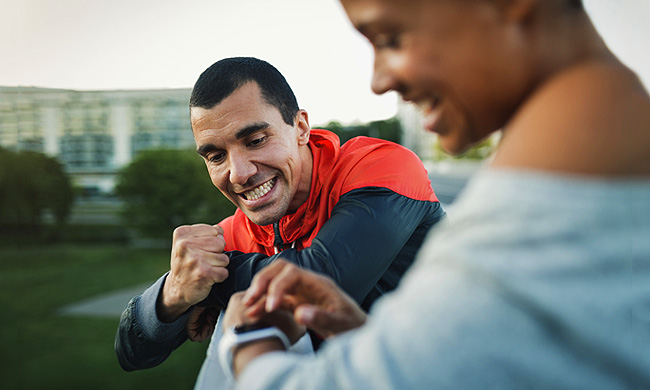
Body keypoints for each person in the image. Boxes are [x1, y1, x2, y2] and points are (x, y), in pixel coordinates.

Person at [219, 0, 650, 388]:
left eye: (391, 38)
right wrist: (370, 336)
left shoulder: (542, 213)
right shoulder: (602, 159)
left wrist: (250, 341)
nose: (379, 80)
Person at [114, 57, 446, 386]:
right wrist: (174, 292)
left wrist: (210, 287)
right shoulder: (237, 232)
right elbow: (132, 352)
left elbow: (325, 279)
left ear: (301, 127)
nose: (239, 173)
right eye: (216, 156)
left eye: (256, 140)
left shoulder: (382, 166)